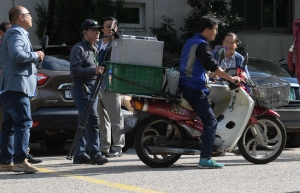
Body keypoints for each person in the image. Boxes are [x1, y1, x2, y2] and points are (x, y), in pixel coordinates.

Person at [179, 15, 242, 169]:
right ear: (207, 29)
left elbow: (200, 66)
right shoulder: (202, 44)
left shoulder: (190, 42)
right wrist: (231, 78)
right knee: (211, 121)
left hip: (186, 85)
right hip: (194, 88)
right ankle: (205, 158)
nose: (216, 33)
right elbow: (213, 66)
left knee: (209, 110)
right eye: (215, 29)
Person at [0, 6, 45, 173]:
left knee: (9, 126)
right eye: (29, 15)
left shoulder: (14, 33)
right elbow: (16, 55)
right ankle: (19, 160)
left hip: (10, 87)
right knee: (24, 123)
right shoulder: (15, 33)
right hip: (16, 87)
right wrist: (36, 55)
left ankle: (5, 161)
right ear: (20, 17)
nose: (31, 17)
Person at [70, 19, 108, 165]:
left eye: (98, 30)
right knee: (93, 120)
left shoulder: (94, 48)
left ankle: (79, 154)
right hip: (82, 87)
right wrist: (94, 70)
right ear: (85, 32)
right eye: (94, 30)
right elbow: (74, 70)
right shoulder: (79, 48)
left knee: (84, 120)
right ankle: (95, 154)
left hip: (92, 87)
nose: (98, 32)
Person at [96, 17, 124, 158]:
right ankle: (104, 147)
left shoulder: (118, 44)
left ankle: (118, 147)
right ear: (102, 29)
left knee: (116, 118)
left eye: (112, 27)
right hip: (96, 85)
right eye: (107, 27)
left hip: (111, 85)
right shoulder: (97, 43)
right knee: (101, 119)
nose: (109, 29)